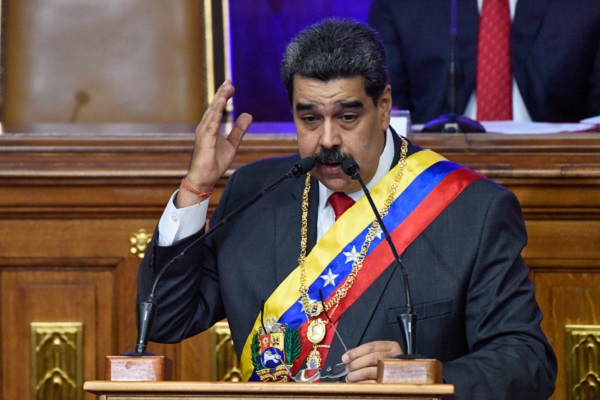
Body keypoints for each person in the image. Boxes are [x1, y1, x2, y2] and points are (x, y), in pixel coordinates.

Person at [137, 18, 557, 399]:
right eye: (311, 119)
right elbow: (166, 320)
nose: (328, 140)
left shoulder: (471, 209)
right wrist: (197, 188)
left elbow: (527, 361)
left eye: (348, 116)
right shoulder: (254, 193)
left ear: (384, 107)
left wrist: (427, 377)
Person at [368, 0, 600, 124]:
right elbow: (385, 111)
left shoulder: (585, 7)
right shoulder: (400, 5)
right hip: (433, 175)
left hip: (558, 171)